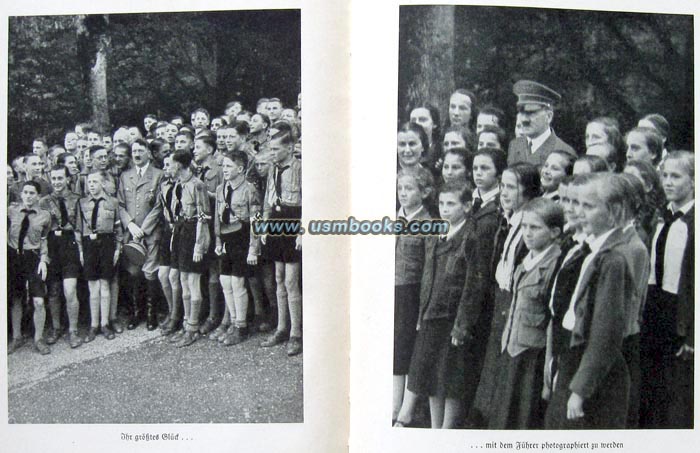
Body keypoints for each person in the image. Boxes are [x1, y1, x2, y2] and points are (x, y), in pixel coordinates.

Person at [545, 173, 632, 429]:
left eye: (589, 206)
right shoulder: (591, 251)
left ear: (614, 211)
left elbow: (606, 332)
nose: (580, 212)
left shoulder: (612, 260)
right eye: (579, 205)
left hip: (593, 374)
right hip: (573, 359)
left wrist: (581, 390)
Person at [468, 161, 539, 427]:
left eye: (511, 187)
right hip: (501, 301)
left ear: (528, 190)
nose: (504, 193)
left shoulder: (529, 223)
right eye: (503, 186)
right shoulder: (509, 220)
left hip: (514, 305)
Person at [489, 198, 563, 429]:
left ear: (554, 232)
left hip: (533, 354)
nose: (527, 234)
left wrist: (548, 371)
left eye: (535, 228)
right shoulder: (527, 260)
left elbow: (552, 320)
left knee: (524, 419)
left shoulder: (555, 264)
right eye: (524, 227)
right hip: (512, 346)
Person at [406, 181, 473, 429]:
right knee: (431, 376)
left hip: (451, 318)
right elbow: (427, 275)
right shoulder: (437, 232)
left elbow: (470, 288)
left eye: (451, 204)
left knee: (450, 378)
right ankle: (435, 429)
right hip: (432, 313)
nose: (445, 209)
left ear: (466, 206)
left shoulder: (469, 237)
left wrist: (461, 324)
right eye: (442, 203)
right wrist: (422, 311)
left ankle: (447, 430)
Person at [640, 151, 694, 429]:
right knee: (651, 387)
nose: (668, 182)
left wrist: (693, 335)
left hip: (680, 313)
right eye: (665, 176)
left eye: (676, 176)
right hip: (654, 306)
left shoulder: (693, 223)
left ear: (694, 181)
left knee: (677, 393)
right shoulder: (661, 217)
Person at [393, 166, 435, 427]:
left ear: (425, 192)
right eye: (400, 188)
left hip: (411, 293)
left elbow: (428, 269)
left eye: (409, 188)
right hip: (394, 289)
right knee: (395, 347)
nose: (403, 193)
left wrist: (422, 308)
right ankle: (393, 406)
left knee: (406, 349)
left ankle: (404, 410)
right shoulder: (397, 216)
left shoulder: (427, 224)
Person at [260, 130, 303, 356]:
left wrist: (302, 231)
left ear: (289, 147)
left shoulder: (301, 168)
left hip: (294, 220)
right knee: (278, 277)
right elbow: (268, 197)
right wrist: (265, 226)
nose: (272, 153)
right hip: (277, 221)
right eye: (271, 148)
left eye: (276, 149)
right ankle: (281, 328)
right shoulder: (272, 169)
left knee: (291, 281)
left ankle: (296, 333)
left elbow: (308, 202)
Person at [214, 150, 261, 345]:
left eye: (228, 166)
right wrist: (217, 241)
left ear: (240, 169)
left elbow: (256, 221)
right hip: (226, 239)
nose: (224, 169)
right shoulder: (220, 189)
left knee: (237, 283)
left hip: (243, 239)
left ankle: (241, 325)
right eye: (223, 166)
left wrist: (253, 248)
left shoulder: (249, 189)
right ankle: (233, 322)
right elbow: (217, 217)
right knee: (225, 281)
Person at [117, 139, 164, 331]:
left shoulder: (158, 175)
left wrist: (143, 228)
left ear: (148, 153)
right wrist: (129, 224)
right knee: (134, 272)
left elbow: (159, 205)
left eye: (140, 151)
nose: (136, 155)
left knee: (150, 271)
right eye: (134, 151)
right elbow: (120, 204)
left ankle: (152, 314)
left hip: (150, 232)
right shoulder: (125, 176)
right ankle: (138, 312)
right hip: (131, 234)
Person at [168, 150, 210, 347]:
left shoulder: (197, 185)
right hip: (181, 231)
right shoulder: (179, 184)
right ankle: (186, 324)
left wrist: (199, 245)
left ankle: (192, 328)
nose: (168, 167)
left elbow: (204, 216)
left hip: (194, 233)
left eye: (170, 163)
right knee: (183, 279)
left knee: (193, 281)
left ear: (178, 165)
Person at [39, 165, 83, 348]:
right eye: (54, 178)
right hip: (51, 246)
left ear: (67, 179)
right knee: (54, 290)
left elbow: (80, 228)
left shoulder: (77, 200)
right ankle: (56, 327)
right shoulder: (44, 202)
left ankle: (73, 330)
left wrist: (81, 251)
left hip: (70, 245)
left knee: (70, 290)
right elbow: (40, 231)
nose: (57, 182)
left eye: (60, 178)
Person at [76, 171, 123, 343]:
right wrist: (81, 251)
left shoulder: (113, 202)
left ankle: (105, 323)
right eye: (89, 182)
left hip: (107, 244)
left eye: (95, 182)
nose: (92, 185)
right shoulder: (81, 203)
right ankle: (94, 325)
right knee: (92, 286)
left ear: (103, 183)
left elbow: (118, 228)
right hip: (89, 245)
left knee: (105, 284)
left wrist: (118, 248)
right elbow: (78, 229)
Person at [7, 181, 51, 355]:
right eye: (25, 192)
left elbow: (44, 239)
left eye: (32, 193)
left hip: (33, 258)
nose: (28, 196)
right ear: (21, 194)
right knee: (16, 298)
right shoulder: (11, 211)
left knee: (39, 300)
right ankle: (17, 337)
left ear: (38, 196)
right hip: (13, 258)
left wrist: (43, 259)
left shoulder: (45, 215)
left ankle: (38, 339)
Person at [192, 134, 225, 336]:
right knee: (202, 269)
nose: (194, 150)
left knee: (215, 269)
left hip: (213, 222)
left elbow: (222, 198)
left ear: (210, 150)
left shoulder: (218, 170)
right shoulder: (196, 170)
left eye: (198, 147)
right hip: (199, 223)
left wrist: (205, 191)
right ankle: (205, 311)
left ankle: (215, 314)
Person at [506, 80, 576, 167]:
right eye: (522, 113)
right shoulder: (515, 145)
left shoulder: (564, 151)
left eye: (531, 113)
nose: (524, 120)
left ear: (549, 116)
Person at [157, 155, 183, 336]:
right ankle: (172, 309)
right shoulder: (164, 186)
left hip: (182, 231)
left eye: (169, 165)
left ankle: (177, 315)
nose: (166, 168)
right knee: (162, 274)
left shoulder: (183, 185)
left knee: (175, 276)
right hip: (168, 230)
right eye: (164, 165)